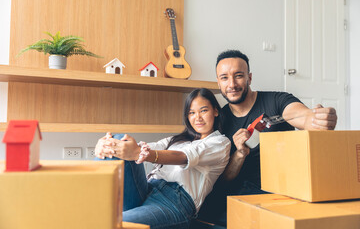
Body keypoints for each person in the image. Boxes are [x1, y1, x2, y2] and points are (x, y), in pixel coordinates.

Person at [197, 49, 338, 227]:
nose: (232, 84)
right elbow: (224, 179)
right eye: (224, 77)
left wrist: (317, 119)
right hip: (240, 192)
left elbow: (302, 116)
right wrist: (240, 154)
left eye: (238, 76)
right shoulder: (219, 120)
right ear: (218, 82)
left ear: (250, 78)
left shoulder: (277, 100)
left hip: (281, 189)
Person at [95, 88, 231, 229]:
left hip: (175, 202)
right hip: (148, 187)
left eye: (203, 111)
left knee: (114, 224)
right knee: (118, 139)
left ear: (215, 111)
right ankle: (89, 201)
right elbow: (149, 147)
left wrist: (140, 154)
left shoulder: (220, 143)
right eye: (191, 112)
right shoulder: (178, 139)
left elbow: (183, 157)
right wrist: (106, 145)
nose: (197, 117)